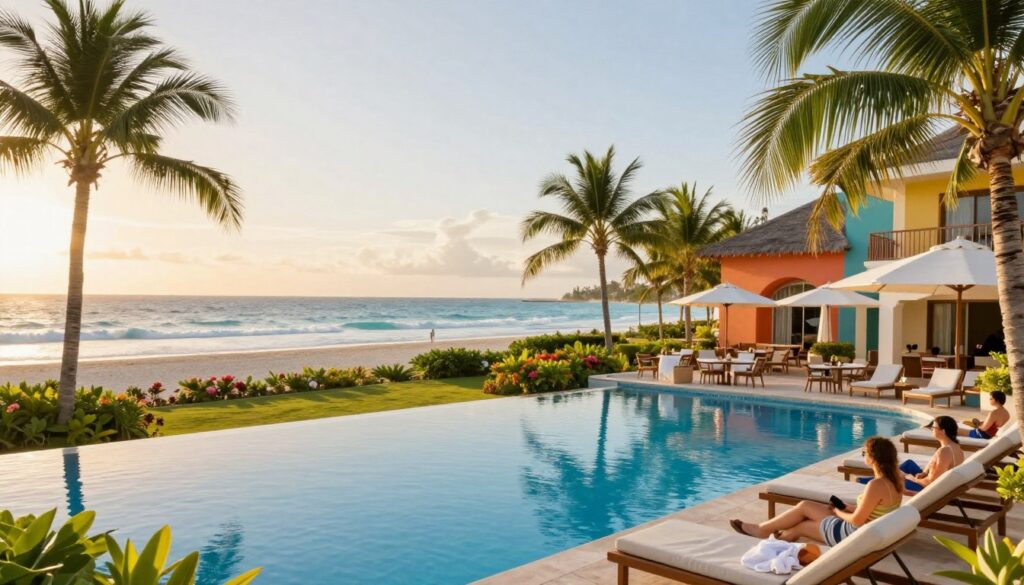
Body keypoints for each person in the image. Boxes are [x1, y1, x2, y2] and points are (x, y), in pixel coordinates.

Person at [729, 437, 902, 545]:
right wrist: (848, 507)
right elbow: (874, 511)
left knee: (800, 527)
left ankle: (774, 544)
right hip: (867, 528)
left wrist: (838, 512)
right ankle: (762, 529)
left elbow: (857, 521)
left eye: (864, 452)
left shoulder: (876, 485)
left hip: (855, 534)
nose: (863, 454)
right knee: (804, 506)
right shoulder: (895, 480)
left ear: (873, 458)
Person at [866, 416, 963, 493]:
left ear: (943, 431)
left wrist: (911, 478)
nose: (931, 429)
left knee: (894, 479)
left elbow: (931, 482)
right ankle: (874, 480)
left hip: (930, 490)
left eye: (933, 427)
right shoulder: (954, 446)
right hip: (935, 482)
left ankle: (869, 482)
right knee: (908, 464)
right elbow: (934, 467)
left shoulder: (945, 452)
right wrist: (924, 473)